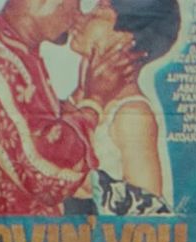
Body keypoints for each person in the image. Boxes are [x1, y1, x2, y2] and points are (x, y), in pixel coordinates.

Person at [0, 0, 137, 216]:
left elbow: (40, 124)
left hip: (27, 236)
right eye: (75, 6)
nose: (78, 18)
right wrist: (94, 102)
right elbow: (45, 180)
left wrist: (86, 93)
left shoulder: (18, 53)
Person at [68, 0, 181, 214]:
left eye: (98, 14)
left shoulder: (132, 115)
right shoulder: (76, 98)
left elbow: (147, 213)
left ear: (126, 39)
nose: (79, 18)